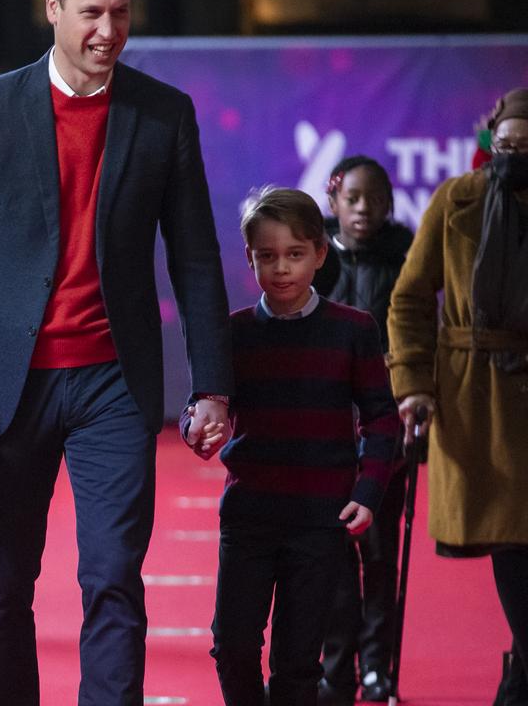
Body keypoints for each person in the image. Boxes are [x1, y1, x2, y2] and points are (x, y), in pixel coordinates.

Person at [0, 0, 233, 702]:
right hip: (8, 381)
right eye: (92, 12)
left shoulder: (162, 113)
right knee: (4, 582)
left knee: (114, 577)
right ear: (51, 6)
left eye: (121, 13)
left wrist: (212, 383)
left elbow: (196, 256)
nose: (108, 29)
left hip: (114, 382)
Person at [185, 187, 400, 706]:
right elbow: (205, 407)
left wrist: (368, 492)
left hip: (319, 520)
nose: (281, 268)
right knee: (231, 646)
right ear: (250, 258)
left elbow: (382, 420)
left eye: (295, 254)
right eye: (267, 256)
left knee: (298, 661)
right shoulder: (231, 333)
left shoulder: (353, 330)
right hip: (248, 516)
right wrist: (199, 431)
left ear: (321, 253)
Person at [388, 87, 528, 702]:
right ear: (489, 144)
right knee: (512, 538)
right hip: (478, 401)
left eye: (526, 147)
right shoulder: (457, 201)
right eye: (505, 146)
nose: (514, 155)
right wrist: (413, 386)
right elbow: (410, 299)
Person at [310, 156, 414, 705]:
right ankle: (336, 670)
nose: (364, 209)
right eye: (353, 197)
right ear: (334, 198)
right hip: (326, 431)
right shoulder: (315, 255)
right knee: (331, 556)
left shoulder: (406, 255)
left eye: (374, 198)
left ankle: (378, 669)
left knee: (378, 556)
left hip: (384, 428)